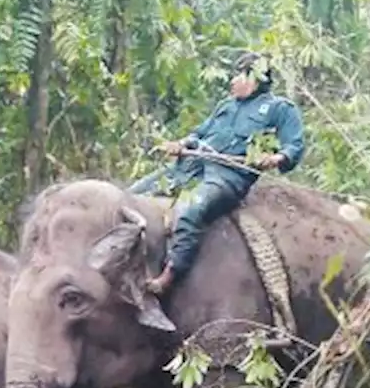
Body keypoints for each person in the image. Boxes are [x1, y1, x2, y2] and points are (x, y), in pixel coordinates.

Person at [131, 51, 306, 295]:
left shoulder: (279, 109)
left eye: (238, 75)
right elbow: (199, 135)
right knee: (133, 194)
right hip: (192, 167)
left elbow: (294, 147)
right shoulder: (226, 106)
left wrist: (275, 158)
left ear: (255, 79)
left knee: (190, 211)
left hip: (227, 176)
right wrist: (180, 144)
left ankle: (170, 275)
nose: (232, 81)